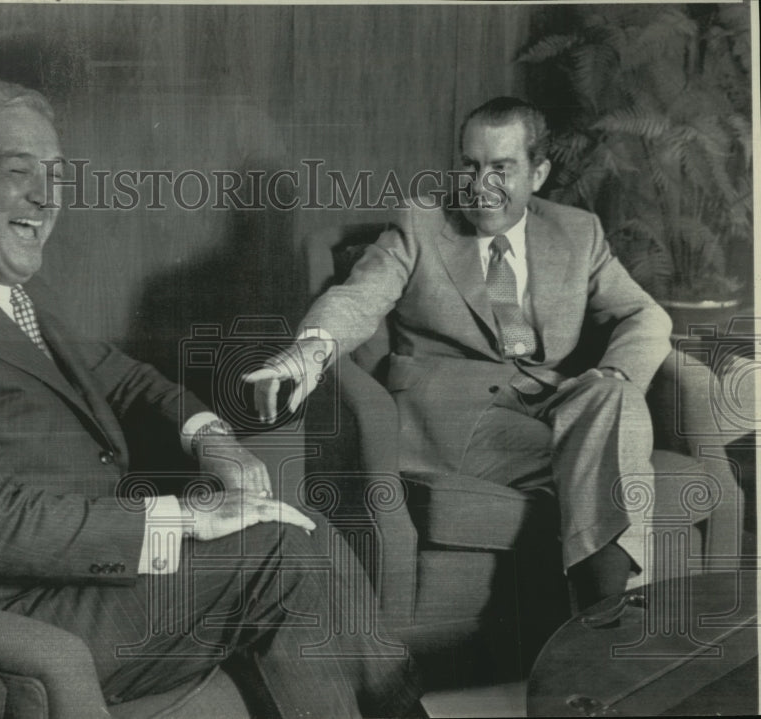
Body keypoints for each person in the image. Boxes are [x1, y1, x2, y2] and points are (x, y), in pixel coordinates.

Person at [0, 78, 425, 718]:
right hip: (24, 607)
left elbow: (117, 375)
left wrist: (212, 439)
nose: (46, 197)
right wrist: (191, 518)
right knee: (278, 553)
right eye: (17, 172)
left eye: (56, 174)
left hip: (91, 566)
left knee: (302, 527)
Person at [246, 97, 672, 609]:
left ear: (537, 174)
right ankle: (609, 618)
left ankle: (599, 624)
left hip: (547, 400)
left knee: (618, 400)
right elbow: (359, 297)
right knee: (611, 467)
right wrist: (308, 354)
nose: (480, 184)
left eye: (501, 168)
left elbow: (646, 315)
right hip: (455, 417)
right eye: (469, 165)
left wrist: (612, 371)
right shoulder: (421, 223)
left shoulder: (577, 233)